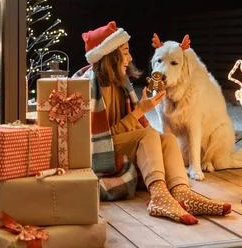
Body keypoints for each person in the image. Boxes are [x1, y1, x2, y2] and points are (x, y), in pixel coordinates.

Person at [73, 21, 232, 225]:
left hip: (117, 142)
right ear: (110, 55)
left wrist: (141, 109)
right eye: (125, 52)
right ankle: (159, 196)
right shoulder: (90, 86)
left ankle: (183, 193)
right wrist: (140, 110)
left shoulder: (121, 83)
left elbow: (129, 127)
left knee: (166, 139)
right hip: (100, 151)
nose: (130, 57)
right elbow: (99, 139)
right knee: (149, 135)